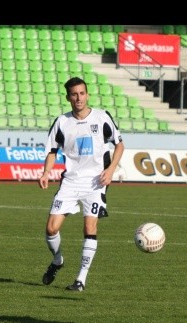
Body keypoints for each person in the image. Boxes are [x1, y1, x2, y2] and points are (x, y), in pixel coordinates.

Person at [38, 77, 125, 292]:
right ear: (68, 97)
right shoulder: (62, 122)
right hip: (70, 181)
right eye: (74, 94)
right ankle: (58, 260)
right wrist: (46, 172)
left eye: (82, 93)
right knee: (51, 228)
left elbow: (119, 144)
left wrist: (111, 169)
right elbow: (52, 151)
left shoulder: (102, 117)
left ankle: (80, 280)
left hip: (96, 182)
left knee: (89, 227)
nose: (79, 98)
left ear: (87, 94)